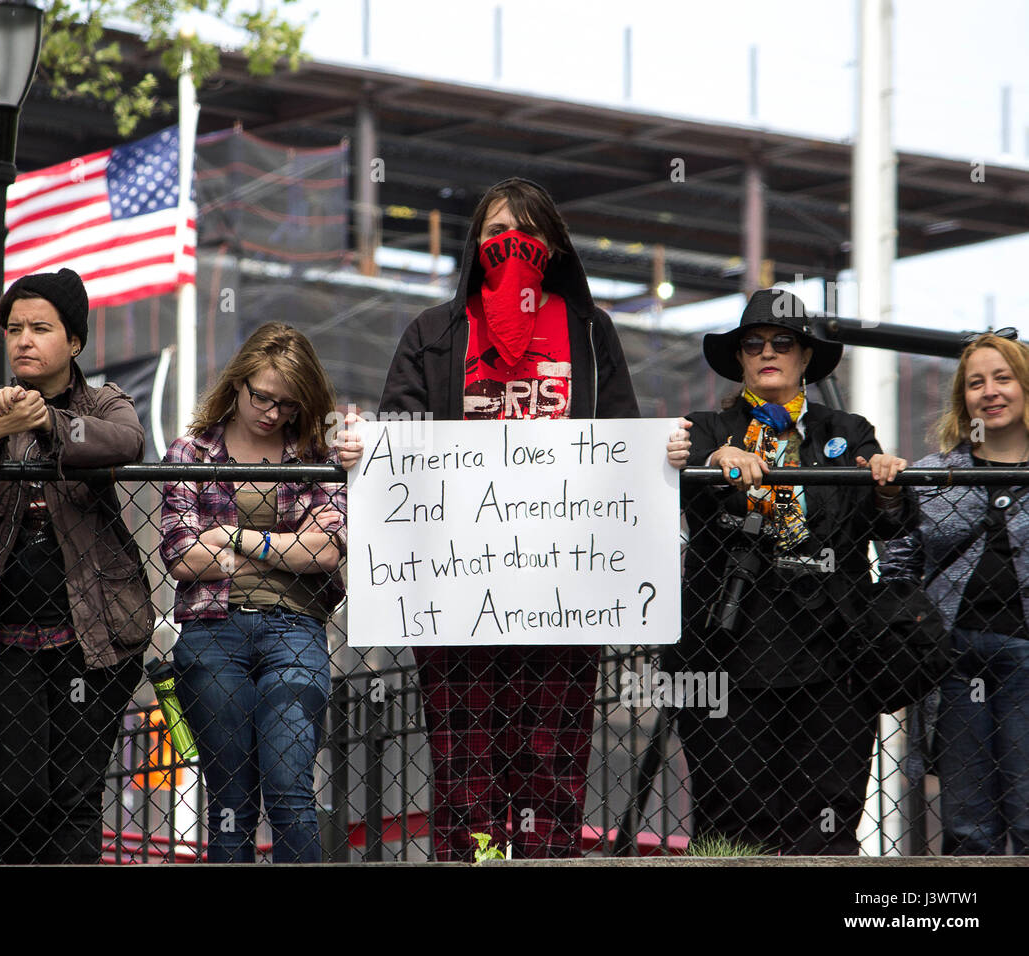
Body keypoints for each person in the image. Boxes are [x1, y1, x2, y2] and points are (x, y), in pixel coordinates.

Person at [375, 177, 640, 860]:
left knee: (551, 764)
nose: (509, 247)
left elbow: (622, 438)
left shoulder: (589, 331)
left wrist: (659, 453)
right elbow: (398, 438)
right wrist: (365, 444)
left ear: (551, 248)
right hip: (458, 592)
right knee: (465, 769)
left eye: (524, 234)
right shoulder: (434, 334)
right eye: (495, 234)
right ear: (474, 244)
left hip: (563, 589)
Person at [0, 268, 151, 864]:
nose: (23, 340)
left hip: (92, 634)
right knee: (15, 789)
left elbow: (126, 443)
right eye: (14, 328)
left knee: (75, 793)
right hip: (3, 636)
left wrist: (49, 422)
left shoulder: (103, 401)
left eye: (40, 328)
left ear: (73, 342)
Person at [671, 287, 911, 854]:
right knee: (730, 826)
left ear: (806, 357)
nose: (767, 351)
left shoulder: (847, 430)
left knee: (826, 824)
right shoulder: (705, 430)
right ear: (739, 359)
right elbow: (669, 484)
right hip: (729, 657)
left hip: (832, 656)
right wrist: (713, 461)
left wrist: (886, 489)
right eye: (752, 344)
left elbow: (888, 529)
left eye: (784, 342)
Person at [159, 322, 347, 863]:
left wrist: (235, 538)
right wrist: (283, 550)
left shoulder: (315, 453)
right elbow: (180, 555)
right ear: (237, 383)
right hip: (211, 631)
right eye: (261, 396)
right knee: (230, 799)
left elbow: (326, 552)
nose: (271, 412)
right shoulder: (190, 452)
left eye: (286, 404)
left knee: (289, 787)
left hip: (295, 630)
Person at [879, 332, 1029, 854]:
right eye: (975, 383)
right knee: (968, 830)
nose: (990, 392)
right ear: (962, 400)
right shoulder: (932, 474)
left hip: (1027, 660)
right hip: (954, 659)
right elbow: (899, 559)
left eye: (1003, 378)